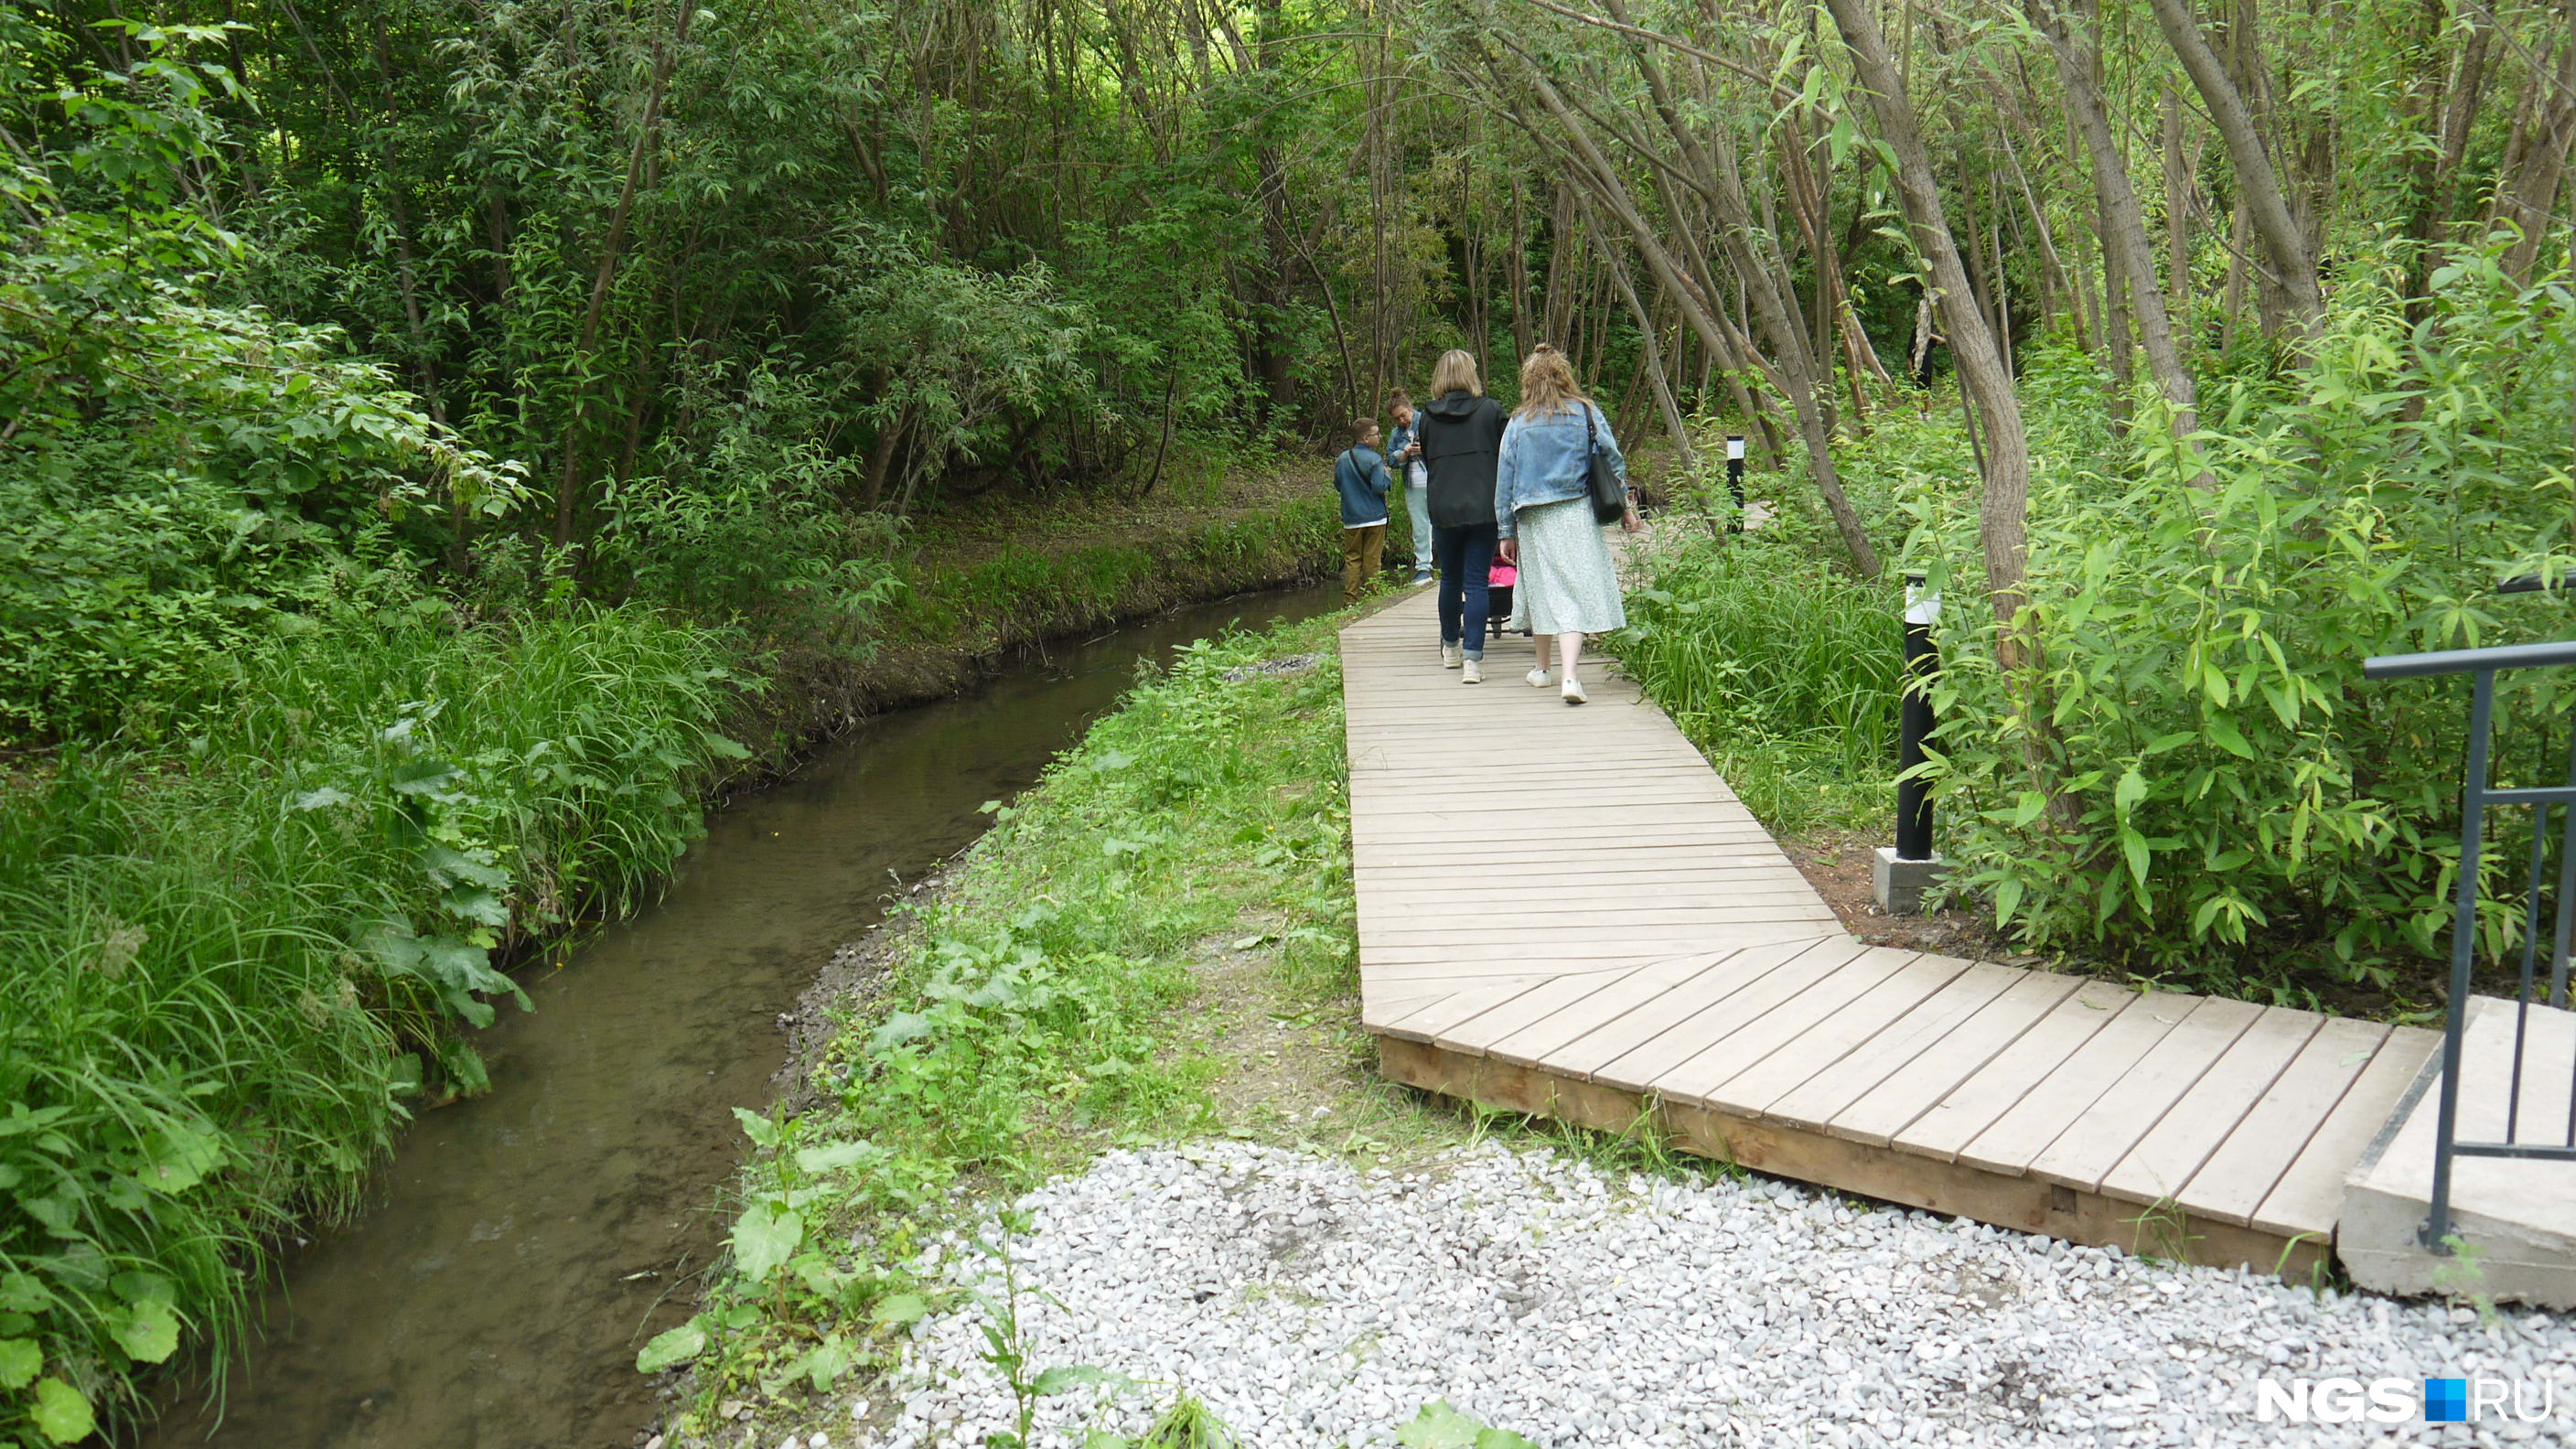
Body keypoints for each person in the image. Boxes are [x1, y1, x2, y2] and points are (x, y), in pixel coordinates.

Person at [1495, 344, 1643, 704]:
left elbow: (1505, 476)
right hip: (1575, 510)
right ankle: (1568, 676)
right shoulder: (1585, 412)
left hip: (1532, 515)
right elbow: (1612, 459)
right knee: (1571, 590)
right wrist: (1625, 506)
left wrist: (1504, 530)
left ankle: (1545, 670)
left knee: (1541, 586)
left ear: (1528, 381)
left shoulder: (1518, 422)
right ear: (1565, 376)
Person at [1413, 349, 1509, 684]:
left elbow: (1426, 456)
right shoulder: (1492, 411)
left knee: (1450, 580)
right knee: (1476, 582)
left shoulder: (1426, 418)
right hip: (1484, 508)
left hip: (1443, 507)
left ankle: (1450, 646)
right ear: (1472, 374)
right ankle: (1473, 660)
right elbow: (1506, 454)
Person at [1333, 416, 1394, 605]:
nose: (1379, 436)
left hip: (1351, 518)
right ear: (1366, 439)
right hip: (1374, 517)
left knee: (1352, 558)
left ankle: (1350, 600)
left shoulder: (1342, 459)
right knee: (1372, 559)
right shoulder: (1374, 459)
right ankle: (1371, 598)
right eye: (1376, 434)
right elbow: (1379, 487)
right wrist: (1388, 476)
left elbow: (1338, 485)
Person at [1384, 391, 1433, 586]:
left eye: (1404, 415)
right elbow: (1389, 459)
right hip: (1413, 483)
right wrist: (1402, 454)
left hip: (1436, 479)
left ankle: (1450, 563)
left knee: (1443, 522)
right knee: (1420, 526)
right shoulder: (1396, 434)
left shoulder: (1428, 422)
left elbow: (1444, 446)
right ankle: (1423, 567)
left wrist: (1425, 449)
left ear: (1410, 408)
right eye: (1397, 418)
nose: (1402, 420)